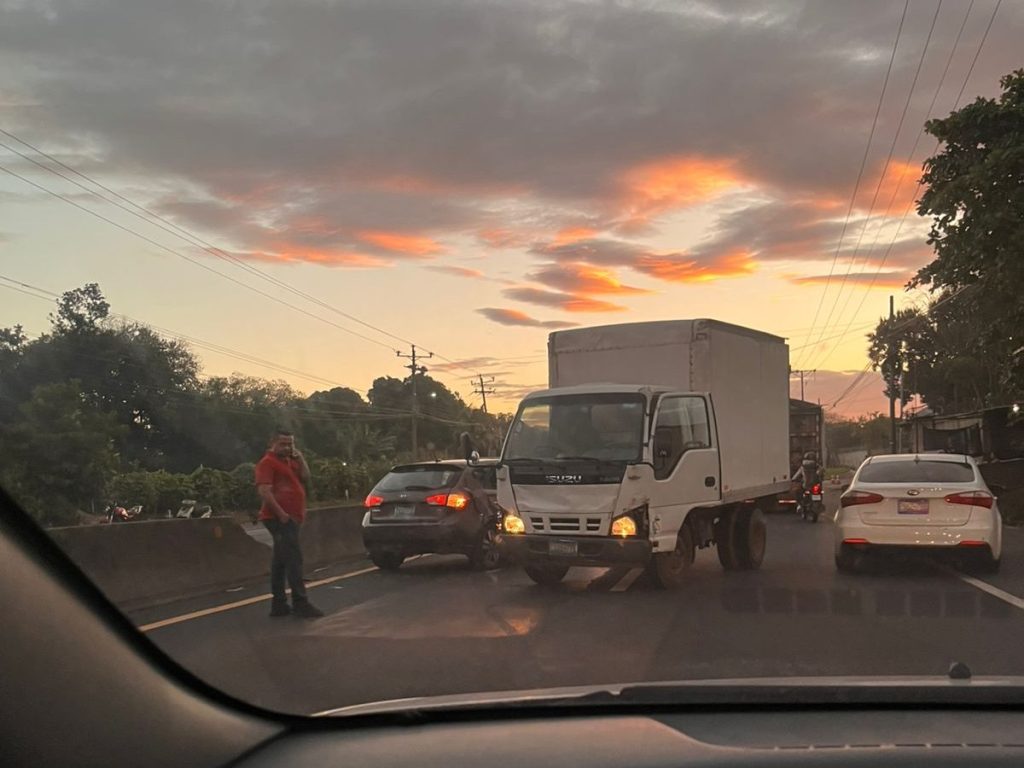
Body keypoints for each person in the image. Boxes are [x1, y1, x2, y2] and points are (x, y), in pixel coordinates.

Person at [255, 429, 324, 618]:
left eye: (290, 444)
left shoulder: (289, 461)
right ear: (272, 443)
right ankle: (300, 602)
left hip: (291, 517)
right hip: (278, 518)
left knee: (280, 561)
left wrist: (299, 457)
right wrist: (282, 514)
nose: (287, 447)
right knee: (294, 559)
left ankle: (278, 604)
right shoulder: (267, 463)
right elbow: (264, 491)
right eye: (283, 444)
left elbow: (305, 477)